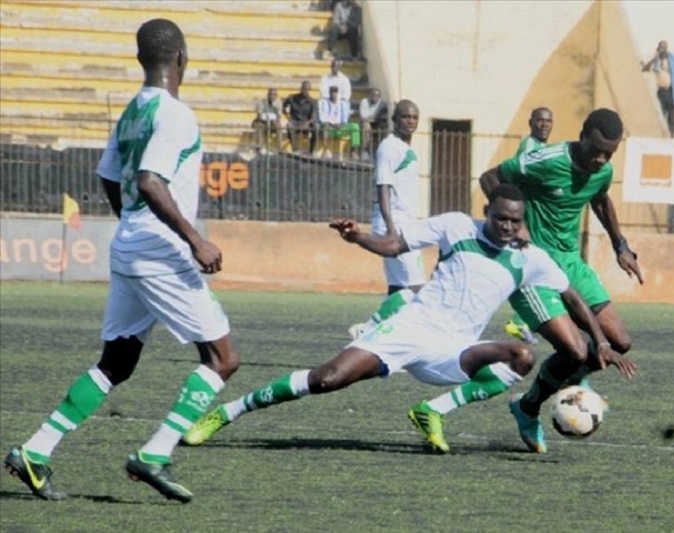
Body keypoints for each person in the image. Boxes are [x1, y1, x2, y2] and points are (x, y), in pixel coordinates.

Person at [182, 185, 630, 454]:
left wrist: (600, 342)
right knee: (325, 380)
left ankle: (430, 412)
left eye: (515, 222)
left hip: (455, 349)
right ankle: (227, 414)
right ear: (486, 214)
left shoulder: (530, 259)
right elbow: (396, 246)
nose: (507, 228)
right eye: (500, 219)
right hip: (411, 328)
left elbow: (570, 296)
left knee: (521, 355)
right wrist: (360, 238)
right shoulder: (457, 226)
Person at [3, 18, 240, 503]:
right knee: (223, 359)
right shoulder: (175, 114)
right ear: (182, 58)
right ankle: (155, 453)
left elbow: (111, 177)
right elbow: (151, 181)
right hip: (160, 251)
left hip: (130, 246)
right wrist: (196, 240)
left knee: (117, 361)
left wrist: (130, 220)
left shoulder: (132, 111)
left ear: (141, 60)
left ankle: (35, 450)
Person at [479, 108, 643, 453]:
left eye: (609, 154)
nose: (601, 159)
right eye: (596, 149)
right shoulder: (545, 159)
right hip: (535, 264)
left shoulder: (604, 170)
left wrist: (620, 245)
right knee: (574, 349)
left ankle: (554, 388)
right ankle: (530, 406)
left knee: (620, 342)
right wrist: (515, 230)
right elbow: (490, 178)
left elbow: (600, 199)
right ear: (582, 135)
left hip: (571, 262)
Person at [347, 99, 425, 340]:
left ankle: (385, 339)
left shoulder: (404, 148)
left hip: (405, 223)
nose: (410, 121)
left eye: (414, 117)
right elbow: (383, 187)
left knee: (398, 289)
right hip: (397, 225)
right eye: (405, 116)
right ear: (394, 119)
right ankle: (368, 330)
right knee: (416, 289)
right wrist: (392, 230)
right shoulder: (390, 147)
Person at [505, 106, 555, 343]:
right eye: (540, 120)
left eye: (548, 121)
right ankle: (520, 321)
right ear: (530, 122)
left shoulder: (544, 149)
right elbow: (517, 181)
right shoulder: (529, 147)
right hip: (531, 220)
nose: (544, 124)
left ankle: (523, 321)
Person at [641, 40, 674, 138]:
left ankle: (671, 138)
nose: (662, 50)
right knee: (660, 118)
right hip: (662, 92)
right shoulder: (656, 61)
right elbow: (645, 69)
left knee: (672, 120)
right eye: (660, 48)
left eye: (664, 48)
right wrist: (655, 58)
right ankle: (660, 137)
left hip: (673, 93)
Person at [317, 86, 361, 160]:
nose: (334, 94)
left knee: (355, 126)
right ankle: (325, 150)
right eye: (332, 92)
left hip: (340, 127)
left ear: (338, 93)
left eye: (335, 92)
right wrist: (332, 124)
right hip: (329, 127)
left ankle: (354, 151)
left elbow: (345, 118)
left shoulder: (343, 103)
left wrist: (341, 124)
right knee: (325, 126)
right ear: (329, 93)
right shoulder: (323, 102)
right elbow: (322, 117)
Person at [282, 80, 318, 155]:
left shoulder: (312, 102)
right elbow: (283, 107)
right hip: (295, 121)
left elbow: (314, 117)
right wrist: (288, 117)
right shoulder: (292, 98)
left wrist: (307, 123)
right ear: (301, 88)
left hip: (306, 122)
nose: (305, 91)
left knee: (315, 128)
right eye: (304, 88)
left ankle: (311, 151)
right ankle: (295, 150)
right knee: (289, 126)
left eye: (307, 89)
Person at [359, 87, 389, 161]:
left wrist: (372, 117)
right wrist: (372, 117)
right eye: (373, 95)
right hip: (366, 123)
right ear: (370, 95)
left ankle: (383, 150)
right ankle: (365, 151)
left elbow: (382, 117)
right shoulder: (364, 102)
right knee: (366, 125)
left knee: (384, 126)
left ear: (379, 97)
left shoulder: (383, 104)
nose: (374, 97)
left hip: (377, 123)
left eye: (376, 96)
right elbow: (363, 117)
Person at [251, 87, 281, 154]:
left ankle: (279, 148)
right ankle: (259, 148)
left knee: (279, 126)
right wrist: (268, 119)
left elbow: (278, 116)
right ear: (268, 95)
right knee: (259, 126)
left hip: (272, 123)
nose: (272, 96)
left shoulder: (278, 103)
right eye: (271, 94)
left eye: (274, 95)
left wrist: (275, 121)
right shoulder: (261, 102)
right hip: (262, 122)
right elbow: (259, 116)